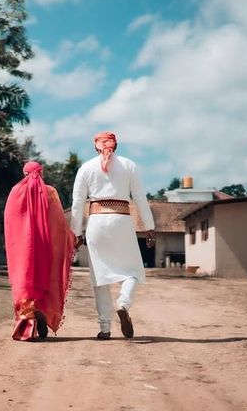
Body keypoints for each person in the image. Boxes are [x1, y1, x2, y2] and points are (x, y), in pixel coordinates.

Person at [71, 132, 155, 340]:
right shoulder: (129, 165)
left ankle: (105, 328)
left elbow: (77, 204)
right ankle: (123, 303)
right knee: (133, 270)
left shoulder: (86, 168)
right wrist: (149, 227)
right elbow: (140, 199)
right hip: (122, 221)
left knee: (100, 277)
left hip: (96, 223)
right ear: (116, 146)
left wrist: (76, 233)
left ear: (95, 147)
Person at [4, 161, 76, 341]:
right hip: (45, 248)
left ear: (24, 173)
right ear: (41, 173)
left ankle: (26, 324)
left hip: (22, 248)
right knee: (44, 278)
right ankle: (41, 311)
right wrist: (70, 238)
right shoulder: (50, 192)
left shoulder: (15, 191)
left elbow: (9, 221)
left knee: (24, 280)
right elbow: (59, 223)